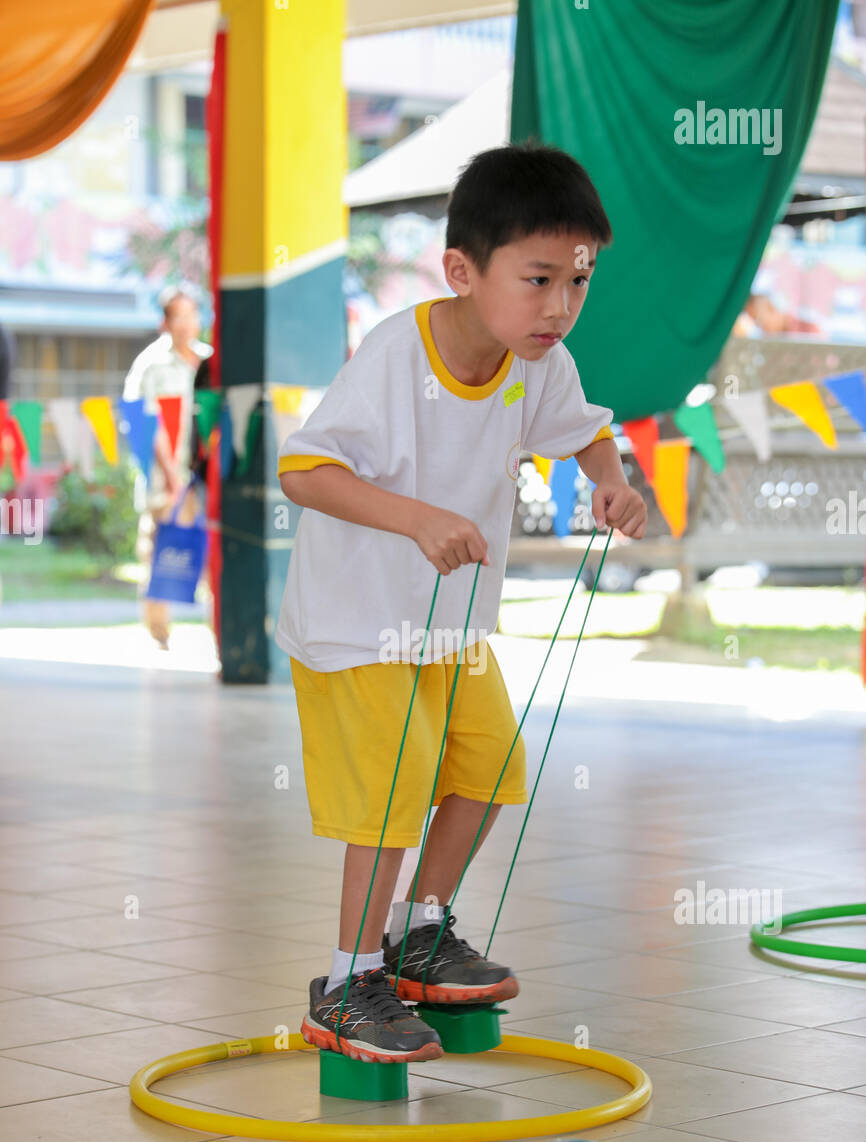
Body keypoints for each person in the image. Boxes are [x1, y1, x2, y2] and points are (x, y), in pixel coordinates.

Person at [276, 141, 647, 1064]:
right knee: (389, 803)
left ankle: (420, 931)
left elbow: (586, 430)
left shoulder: (539, 362)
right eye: (537, 279)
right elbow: (304, 470)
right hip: (356, 623)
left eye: (579, 280)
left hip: (453, 631)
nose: (560, 305)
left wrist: (612, 480)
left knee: (490, 769)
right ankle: (349, 980)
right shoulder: (397, 354)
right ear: (462, 270)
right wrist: (414, 519)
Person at [123, 287, 213, 649]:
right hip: (165, 479)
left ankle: (215, 629)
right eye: (179, 315)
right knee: (159, 552)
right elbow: (144, 422)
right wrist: (172, 475)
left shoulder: (208, 360)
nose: (187, 323)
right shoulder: (151, 364)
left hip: (203, 474)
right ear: (165, 321)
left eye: (192, 314)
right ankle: (159, 632)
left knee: (207, 549)